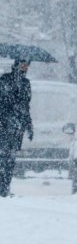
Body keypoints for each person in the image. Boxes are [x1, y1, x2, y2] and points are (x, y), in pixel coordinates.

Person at [0, 59, 33, 197]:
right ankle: (2, 187)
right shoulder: (5, 79)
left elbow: (26, 106)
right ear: (17, 65)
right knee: (4, 157)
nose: (25, 68)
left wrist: (29, 125)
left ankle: (5, 187)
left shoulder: (25, 83)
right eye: (23, 65)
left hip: (17, 127)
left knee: (10, 159)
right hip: (4, 125)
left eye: (27, 65)